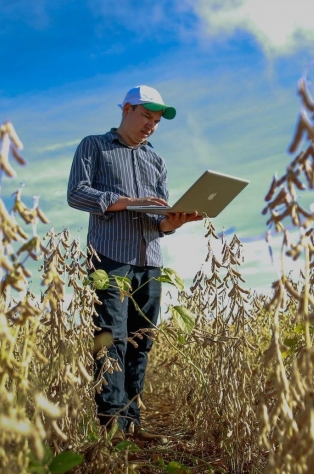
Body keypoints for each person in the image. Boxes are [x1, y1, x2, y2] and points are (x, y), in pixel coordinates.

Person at [66, 85, 201, 434]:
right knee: (112, 338)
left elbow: (158, 221)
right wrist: (125, 200)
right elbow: (77, 193)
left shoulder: (156, 160)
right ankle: (112, 425)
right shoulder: (93, 146)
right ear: (126, 109)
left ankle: (132, 420)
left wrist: (172, 222)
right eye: (146, 117)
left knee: (142, 341)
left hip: (151, 260)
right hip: (110, 259)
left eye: (157, 121)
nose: (151, 126)